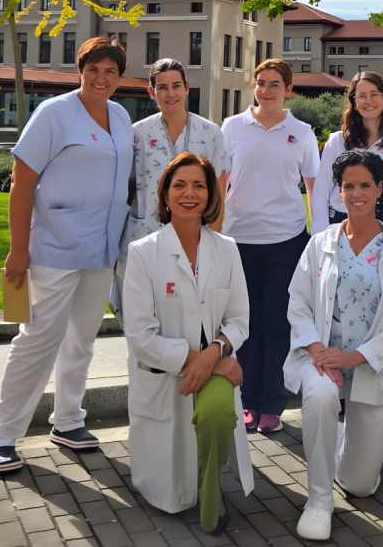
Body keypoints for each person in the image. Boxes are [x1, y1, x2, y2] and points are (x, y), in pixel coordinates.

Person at [0, 37, 133, 473]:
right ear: (80, 69)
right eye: (94, 69)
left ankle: (68, 420)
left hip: (102, 248)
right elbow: (21, 183)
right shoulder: (53, 113)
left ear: (119, 77)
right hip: (53, 247)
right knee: (37, 341)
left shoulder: (121, 116)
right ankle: (2, 436)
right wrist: (18, 251)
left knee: (82, 341)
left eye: (110, 71)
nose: (101, 78)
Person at [285, 150, 383, 541]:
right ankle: (318, 500)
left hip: (370, 365)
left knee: (360, 485)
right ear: (338, 191)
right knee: (322, 398)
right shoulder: (320, 244)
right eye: (348, 186)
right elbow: (299, 302)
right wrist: (316, 350)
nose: (356, 193)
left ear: (380, 189)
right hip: (323, 359)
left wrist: (355, 356)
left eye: (365, 185)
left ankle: (347, 445)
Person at [122, 153, 252, 535]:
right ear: (164, 195)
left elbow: (240, 321)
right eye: (179, 185)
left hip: (213, 360)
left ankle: (213, 494)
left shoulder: (226, 248)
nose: (189, 193)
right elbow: (140, 337)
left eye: (199, 185)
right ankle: (187, 484)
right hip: (166, 372)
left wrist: (215, 354)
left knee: (216, 416)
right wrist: (201, 360)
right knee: (170, 493)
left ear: (211, 195)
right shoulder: (143, 253)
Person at [220, 59, 320, 434]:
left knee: (278, 324)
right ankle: (245, 400)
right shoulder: (231, 128)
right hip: (238, 239)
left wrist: (317, 234)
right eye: (260, 83)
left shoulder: (302, 132)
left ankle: (273, 405)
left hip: (286, 241)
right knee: (245, 325)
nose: (266, 90)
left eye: (274, 84)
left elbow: (314, 187)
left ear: (289, 89)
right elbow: (221, 183)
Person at [112, 58, 228, 318]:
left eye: (176, 86)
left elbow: (218, 195)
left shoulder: (210, 134)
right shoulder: (137, 134)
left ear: (187, 88)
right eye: (162, 87)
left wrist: (211, 242)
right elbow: (126, 189)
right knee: (140, 318)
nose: (170, 93)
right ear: (151, 92)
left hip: (194, 238)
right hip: (143, 237)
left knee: (187, 318)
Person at [309, 71, 383, 236]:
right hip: (338, 223)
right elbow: (321, 191)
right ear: (353, 101)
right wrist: (321, 235)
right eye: (361, 96)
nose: (368, 101)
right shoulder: (337, 141)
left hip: (382, 226)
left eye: (374, 94)